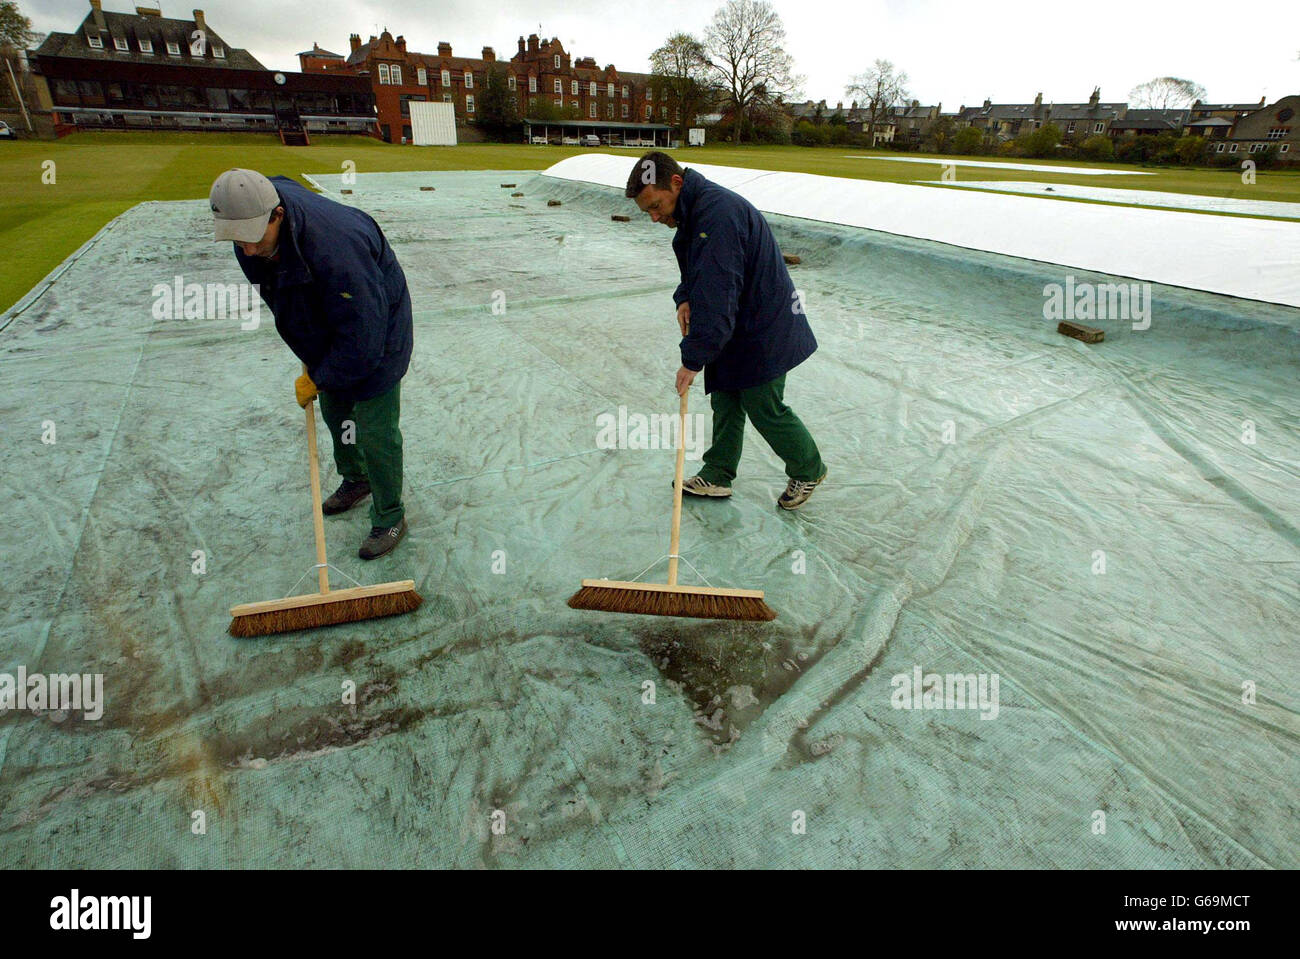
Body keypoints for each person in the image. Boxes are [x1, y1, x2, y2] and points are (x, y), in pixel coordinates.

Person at [209, 169, 413, 558]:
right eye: (238, 238)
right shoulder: (252, 229)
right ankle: (357, 479)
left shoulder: (338, 249)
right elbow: (282, 300)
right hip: (330, 312)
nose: (247, 250)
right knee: (338, 413)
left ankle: (390, 515)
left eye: (253, 238)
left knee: (375, 428)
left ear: (278, 215)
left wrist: (322, 374)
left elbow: (363, 341)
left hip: (378, 324)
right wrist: (310, 353)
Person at [626, 152, 827, 510]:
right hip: (737, 321)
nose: (655, 217)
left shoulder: (717, 215)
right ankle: (718, 474)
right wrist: (684, 297)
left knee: (762, 403)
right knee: (726, 397)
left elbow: (718, 296)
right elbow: (695, 269)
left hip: (762, 324)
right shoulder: (692, 212)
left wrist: (692, 361)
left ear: (676, 183)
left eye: (656, 206)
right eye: (648, 212)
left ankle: (808, 468)